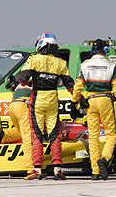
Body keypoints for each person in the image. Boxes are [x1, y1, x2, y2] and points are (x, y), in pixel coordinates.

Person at [17, 32, 75, 180]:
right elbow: (71, 86)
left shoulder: (34, 59)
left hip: (38, 101)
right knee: (54, 135)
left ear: (41, 44)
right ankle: (57, 169)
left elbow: (22, 81)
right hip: (53, 101)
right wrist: (78, 100)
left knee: (37, 136)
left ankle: (37, 170)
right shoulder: (61, 62)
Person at [70, 39, 116, 180]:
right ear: (105, 50)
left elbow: (78, 87)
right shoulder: (111, 66)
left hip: (90, 102)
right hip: (106, 101)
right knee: (111, 135)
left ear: (92, 51)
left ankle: (95, 171)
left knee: (93, 136)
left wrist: (74, 102)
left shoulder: (85, 65)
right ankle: (105, 160)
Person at [0, 74, 34, 177]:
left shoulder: (24, 78)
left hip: (13, 105)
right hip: (24, 106)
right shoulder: (40, 78)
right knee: (28, 136)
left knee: (20, 131)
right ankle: (31, 169)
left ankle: (4, 135)